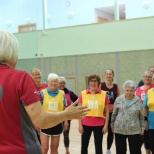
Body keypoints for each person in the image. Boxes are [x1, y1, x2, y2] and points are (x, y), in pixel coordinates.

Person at [0, 29, 89, 154]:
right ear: (11, 53)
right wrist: (66, 114)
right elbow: (41, 120)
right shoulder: (20, 78)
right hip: (22, 149)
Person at [111, 80, 145, 154]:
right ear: (124, 90)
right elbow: (114, 114)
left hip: (134, 130)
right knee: (120, 151)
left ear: (134, 91)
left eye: (131, 91)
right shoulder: (119, 99)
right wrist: (112, 124)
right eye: (127, 90)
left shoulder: (138, 100)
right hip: (119, 129)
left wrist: (142, 126)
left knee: (135, 151)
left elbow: (141, 115)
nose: (129, 92)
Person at [78, 74, 109, 154]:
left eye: (95, 81)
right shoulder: (83, 93)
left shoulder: (104, 94)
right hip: (85, 123)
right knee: (84, 146)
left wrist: (106, 125)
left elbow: (107, 111)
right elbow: (79, 111)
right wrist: (80, 125)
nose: (93, 83)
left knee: (98, 147)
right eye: (91, 81)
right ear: (89, 83)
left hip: (99, 124)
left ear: (98, 83)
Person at [40, 73, 68, 154]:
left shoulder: (62, 94)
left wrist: (66, 121)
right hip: (45, 123)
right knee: (45, 148)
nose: (53, 83)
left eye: (55, 81)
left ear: (58, 83)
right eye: (52, 81)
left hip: (57, 123)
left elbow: (65, 109)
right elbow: (37, 109)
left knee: (54, 148)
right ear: (48, 82)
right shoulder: (42, 93)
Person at [100, 69, 120, 154]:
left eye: (110, 74)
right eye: (107, 74)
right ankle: (99, 149)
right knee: (100, 132)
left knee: (111, 132)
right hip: (102, 112)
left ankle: (108, 149)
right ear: (105, 75)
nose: (108, 75)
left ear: (113, 75)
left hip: (113, 112)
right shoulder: (101, 85)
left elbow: (119, 99)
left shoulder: (115, 86)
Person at [136, 71, 154, 154]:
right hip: (142, 116)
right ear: (143, 78)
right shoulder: (138, 89)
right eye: (145, 76)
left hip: (149, 116)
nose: (147, 78)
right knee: (144, 139)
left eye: (149, 77)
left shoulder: (152, 89)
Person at [58, 77, 78, 154]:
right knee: (55, 133)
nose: (62, 84)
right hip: (56, 116)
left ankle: (67, 151)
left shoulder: (69, 93)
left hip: (66, 116)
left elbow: (78, 99)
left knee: (66, 134)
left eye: (63, 83)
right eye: (60, 83)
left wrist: (72, 109)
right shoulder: (54, 92)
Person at [31, 68, 48, 144]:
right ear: (32, 76)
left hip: (45, 116)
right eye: (35, 75)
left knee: (45, 142)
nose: (38, 76)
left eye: (38, 74)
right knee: (36, 140)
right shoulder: (30, 87)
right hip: (34, 116)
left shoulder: (46, 86)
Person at [143, 75, 154, 154]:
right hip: (151, 124)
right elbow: (145, 107)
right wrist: (145, 120)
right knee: (152, 143)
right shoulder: (149, 92)